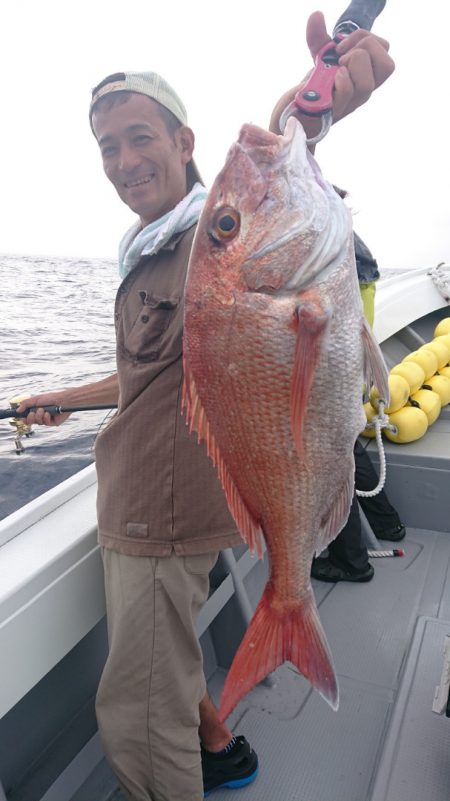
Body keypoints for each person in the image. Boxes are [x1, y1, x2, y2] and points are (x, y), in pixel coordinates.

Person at [18, 13, 395, 801]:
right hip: (140, 496)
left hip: (161, 516)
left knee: (136, 713)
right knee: (166, 662)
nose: (123, 160)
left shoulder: (209, 243)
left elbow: (264, 207)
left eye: (138, 137)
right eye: (107, 146)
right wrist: (64, 395)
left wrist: (304, 118)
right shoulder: (156, 245)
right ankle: (220, 744)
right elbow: (156, 374)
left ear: (184, 141)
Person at [312, 231, 405, 584]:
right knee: (351, 453)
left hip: (336, 374)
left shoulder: (332, 249)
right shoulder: (354, 253)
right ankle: (388, 522)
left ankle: (352, 562)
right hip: (353, 369)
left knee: (338, 466)